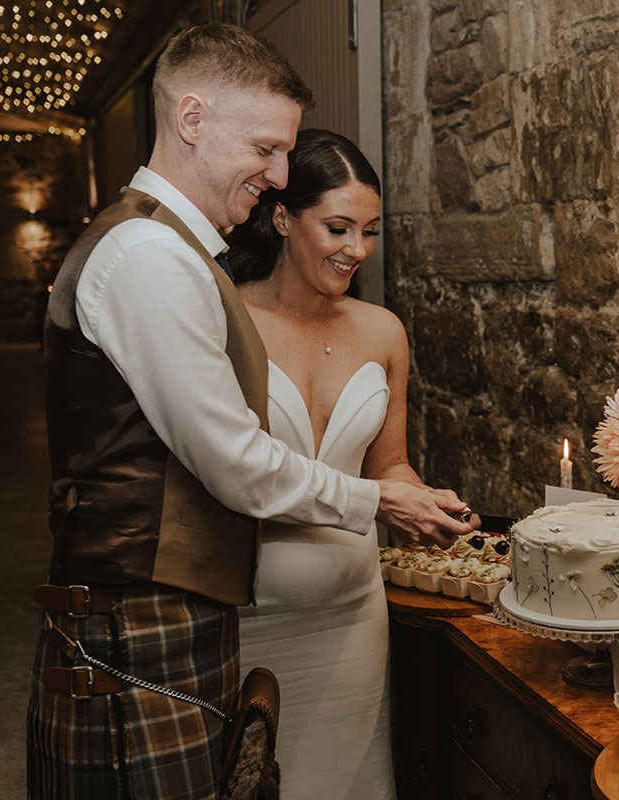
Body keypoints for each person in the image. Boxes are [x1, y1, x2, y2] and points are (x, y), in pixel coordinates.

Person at [27, 24, 476, 800]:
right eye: (265, 148)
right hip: (137, 623)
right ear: (192, 120)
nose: (276, 175)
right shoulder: (150, 256)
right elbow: (234, 463)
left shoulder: (174, 250)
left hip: (183, 619)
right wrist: (376, 500)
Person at [228, 128, 459, 799]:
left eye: (369, 230)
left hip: (353, 615)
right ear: (280, 219)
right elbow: (227, 474)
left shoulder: (383, 330)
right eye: (337, 227)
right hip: (247, 618)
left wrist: (423, 501)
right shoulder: (226, 324)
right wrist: (387, 500)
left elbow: (390, 467)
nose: (357, 249)